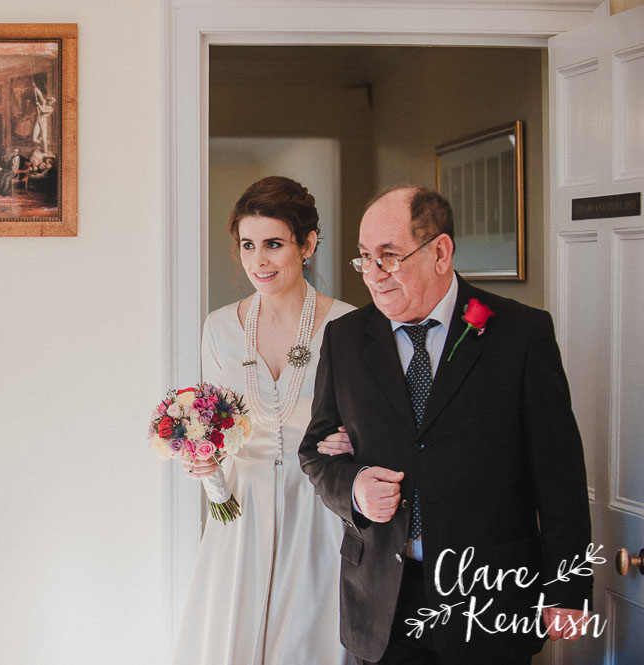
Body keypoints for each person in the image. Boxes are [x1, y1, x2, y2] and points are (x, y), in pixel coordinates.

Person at [298, 186, 592, 665]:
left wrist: (569, 587)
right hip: (383, 601)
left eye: (389, 256)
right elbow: (314, 453)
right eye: (365, 257)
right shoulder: (345, 338)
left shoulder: (521, 334)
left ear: (440, 252)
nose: (373, 274)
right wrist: (353, 487)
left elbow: (559, 475)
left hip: (490, 600)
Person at [174, 176, 356, 665]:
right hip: (241, 513)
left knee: (309, 642)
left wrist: (353, 443)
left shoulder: (350, 324)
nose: (258, 261)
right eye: (248, 245)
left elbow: (378, 426)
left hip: (319, 507)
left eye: (274, 244)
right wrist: (206, 468)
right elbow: (213, 429)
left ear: (307, 245)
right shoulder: (219, 327)